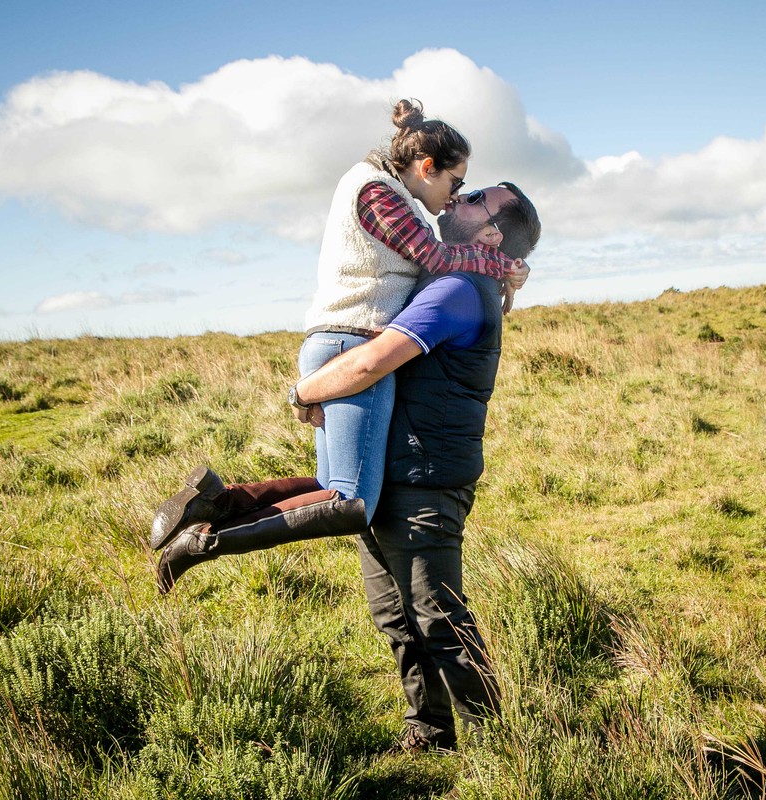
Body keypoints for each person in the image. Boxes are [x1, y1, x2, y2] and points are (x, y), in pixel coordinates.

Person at [158, 184, 541, 754]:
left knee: (439, 620)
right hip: (395, 474)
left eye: (477, 198)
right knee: (395, 617)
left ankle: (504, 751)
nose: (460, 196)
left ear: (490, 233)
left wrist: (304, 392)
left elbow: (367, 362)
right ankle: (429, 731)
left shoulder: (459, 291)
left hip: (425, 484)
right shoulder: (449, 277)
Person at [149, 99, 527, 559]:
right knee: (352, 503)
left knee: (334, 485)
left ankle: (215, 500)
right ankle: (203, 543)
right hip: (352, 341)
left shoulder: (387, 189)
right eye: (456, 182)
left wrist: (506, 272)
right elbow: (435, 258)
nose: (454, 195)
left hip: (336, 339)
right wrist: (502, 262)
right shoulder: (376, 190)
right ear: (427, 167)